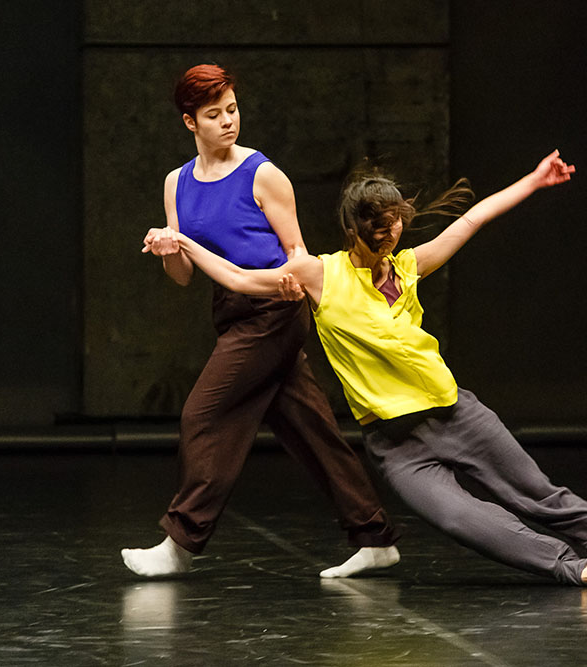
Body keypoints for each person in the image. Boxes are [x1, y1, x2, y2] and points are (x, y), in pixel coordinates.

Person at [145, 150, 587, 588]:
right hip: (397, 447)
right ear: (355, 228)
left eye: (398, 222)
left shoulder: (409, 265)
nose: (393, 234)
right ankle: (571, 567)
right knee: (459, 518)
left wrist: (535, 180)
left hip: (456, 415)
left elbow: (474, 218)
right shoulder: (319, 275)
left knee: (537, 493)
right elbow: (240, 279)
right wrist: (183, 241)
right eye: (382, 226)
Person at [122, 64, 401, 580]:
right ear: (190, 123)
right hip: (230, 312)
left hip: (274, 310)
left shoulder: (262, 174)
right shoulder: (177, 183)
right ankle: (374, 536)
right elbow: (183, 275)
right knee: (309, 428)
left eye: (232, 109)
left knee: (203, 415)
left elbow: (296, 251)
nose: (228, 120)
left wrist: (289, 284)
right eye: (214, 114)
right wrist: (167, 247)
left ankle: (180, 542)